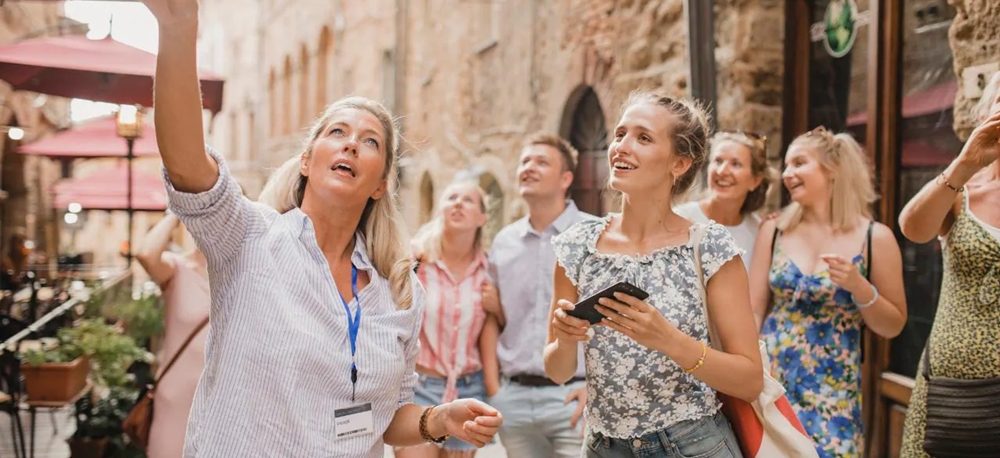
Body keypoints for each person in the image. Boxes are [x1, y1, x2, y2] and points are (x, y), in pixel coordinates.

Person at [139, 1, 502, 456]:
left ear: (380, 184)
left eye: (370, 141)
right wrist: (177, 28)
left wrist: (440, 419)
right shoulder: (250, 239)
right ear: (307, 161)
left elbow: (386, 417)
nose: (352, 142)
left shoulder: (398, 290)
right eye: (337, 132)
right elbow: (187, 162)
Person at [545, 91, 761, 458]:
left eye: (643, 138)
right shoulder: (578, 245)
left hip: (693, 445)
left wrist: (668, 341)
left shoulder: (710, 247)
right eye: (619, 134)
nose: (622, 147)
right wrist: (566, 339)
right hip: (603, 447)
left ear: (679, 164)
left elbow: (750, 379)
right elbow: (558, 371)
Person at [748, 127, 907, 458]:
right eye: (787, 165)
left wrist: (860, 287)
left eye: (800, 163)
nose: (788, 174)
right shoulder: (774, 230)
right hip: (773, 384)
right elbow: (753, 311)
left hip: (834, 392)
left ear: (833, 170)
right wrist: (752, 369)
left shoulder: (875, 238)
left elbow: (892, 325)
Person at [897, 73, 1000, 457]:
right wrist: (965, 164)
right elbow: (912, 228)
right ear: (986, 112)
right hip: (949, 394)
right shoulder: (963, 192)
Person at [479, 132, 592, 457]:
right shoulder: (504, 242)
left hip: (574, 399)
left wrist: (598, 390)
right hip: (514, 402)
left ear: (565, 179)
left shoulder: (594, 235)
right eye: (525, 161)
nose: (529, 167)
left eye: (542, 162)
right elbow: (492, 318)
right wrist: (495, 391)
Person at [396, 180, 495, 458]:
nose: (458, 203)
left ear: (482, 217)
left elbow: (495, 330)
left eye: (468, 200)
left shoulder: (489, 271)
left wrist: (497, 308)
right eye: (451, 197)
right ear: (440, 210)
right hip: (419, 388)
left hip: (468, 390)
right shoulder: (415, 262)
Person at [135, 212, 210, 458]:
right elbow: (146, 254)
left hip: (225, 401)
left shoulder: (243, 274)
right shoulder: (178, 269)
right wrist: (178, 210)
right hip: (176, 401)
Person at [674, 131, 775, 270]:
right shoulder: (680, 218)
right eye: (718, 161)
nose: (722, 171)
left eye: (736, 164)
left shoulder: (758, 232)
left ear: (755, 181)